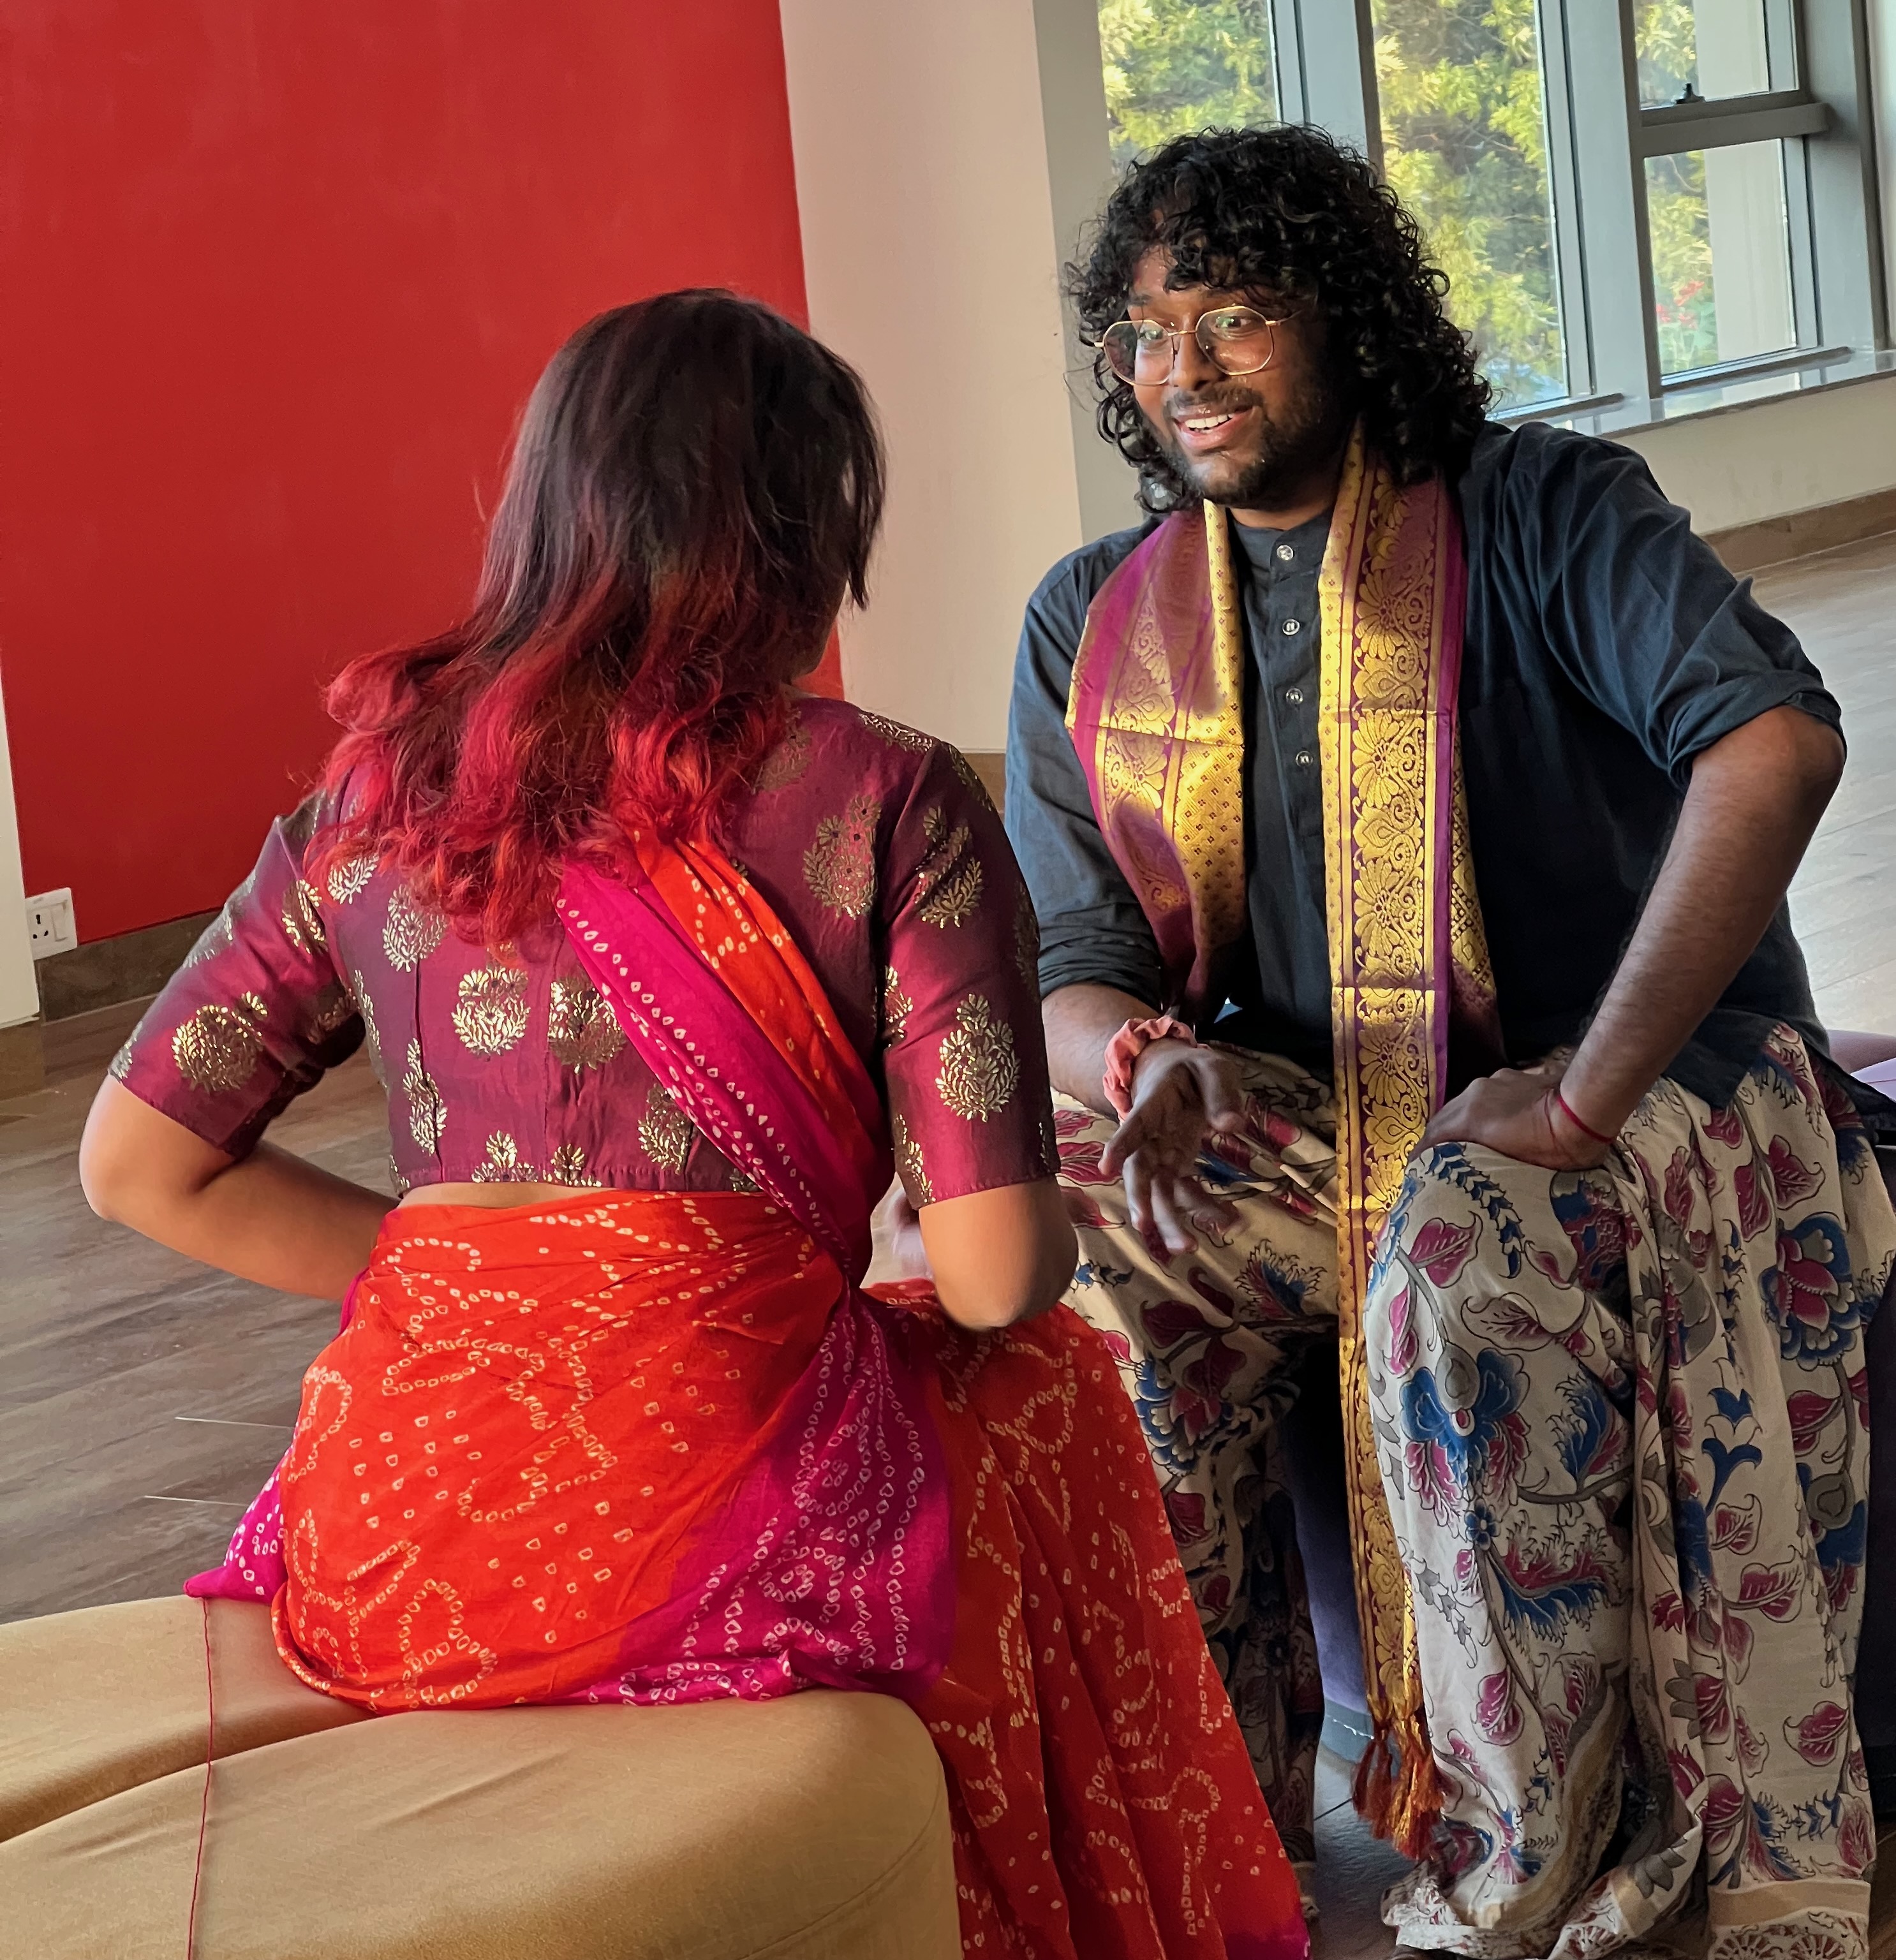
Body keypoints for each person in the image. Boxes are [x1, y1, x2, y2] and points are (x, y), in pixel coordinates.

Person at [77, 291, 1308, 1960]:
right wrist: (695, 1284)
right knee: (1035, 1392)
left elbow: (136, 1165)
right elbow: (993, 1271)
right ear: (808, 528)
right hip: (709, 1522)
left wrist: (496, 1281)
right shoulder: (884, 796)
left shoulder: (373, 795)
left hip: (394, 1549)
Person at [1004, 125, 1896, 1960]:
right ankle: (1218, 1819)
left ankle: (1522, 1866)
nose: (1183, 367)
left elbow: (1776, 743)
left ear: (1350, 317)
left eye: (1234, 314)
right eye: (1145, 330)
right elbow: (1070, 962)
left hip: (1654, 1098)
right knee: (1082, 1219)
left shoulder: (1542, 510)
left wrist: (1587, 1091)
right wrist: (1138, 1063)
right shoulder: (1094, 616)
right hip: (1326, 1122)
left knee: (1451, 1244)